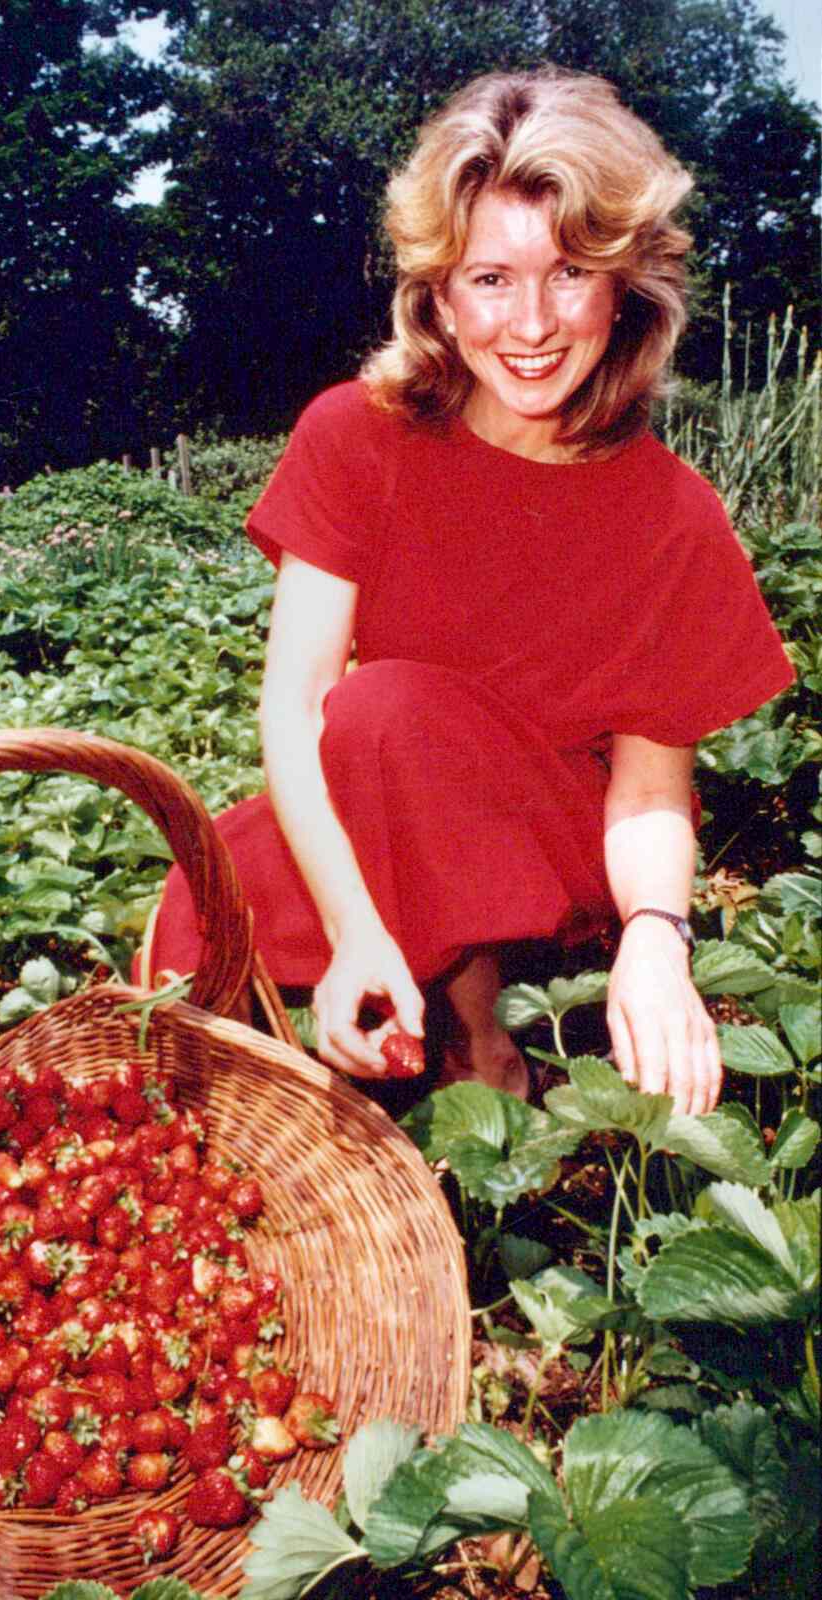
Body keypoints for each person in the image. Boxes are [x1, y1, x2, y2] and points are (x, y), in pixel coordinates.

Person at [147, 68, 794, 1117]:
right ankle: (369, 1014)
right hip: (392, 786)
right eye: (489, 278)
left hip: (550, 849)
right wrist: (355, 924)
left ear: (625, 284)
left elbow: (645, 793)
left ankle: (482, 1054)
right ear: (438, 294)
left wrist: (655, 942)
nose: (529, 323)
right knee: (200, 906)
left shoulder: (671, 514)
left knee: (390, 708)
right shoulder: (353, 437)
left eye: (569, 271)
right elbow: (297, 706)